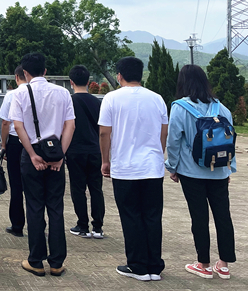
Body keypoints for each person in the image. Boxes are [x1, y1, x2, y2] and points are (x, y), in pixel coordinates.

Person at [99, 56, 168, 282]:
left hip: (125, 167)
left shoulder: (111, 98)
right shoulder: (157, 99)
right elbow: (163, 132)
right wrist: (158, 154)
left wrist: (105, 160)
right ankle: (154, 266)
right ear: (141, 74)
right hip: (152, 167)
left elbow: (104, 133)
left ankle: (137, 265)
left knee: (131, 216)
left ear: (119, 76)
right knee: (152, 215)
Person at [165, 64, 236, 280]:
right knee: (223, 215)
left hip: (191, 172)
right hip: (219, 172)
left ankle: (203, 264)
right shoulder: (221, 108)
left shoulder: (180, 107)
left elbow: (174, 141)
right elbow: (230, 140)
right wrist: (228, 168)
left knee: (199, 216)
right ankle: (223, 264)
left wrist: (172, 167)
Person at [10, 52, 75, 278]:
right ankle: (57, 262)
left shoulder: (19, 93)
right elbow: (70, 126)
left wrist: (32, 154)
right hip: (57, 149)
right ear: (45, 71)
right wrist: (60, 156)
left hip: (32, 152)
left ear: (25, 73)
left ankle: (36, 260)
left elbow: (18, 127)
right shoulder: (63, 92)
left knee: (35, 206)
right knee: (56, 207)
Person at [65, 65, 105, 239]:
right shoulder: (98, 102)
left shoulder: (69, 102)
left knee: (78, 188)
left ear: (71, 82)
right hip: (95, 150)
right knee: (96, 189)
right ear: (88, 82)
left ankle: (82, 225)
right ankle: (98, 227)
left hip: (75, 150)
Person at [0, 66, 26, 237]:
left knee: (16, 185)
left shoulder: (12, 94)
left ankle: (17, 225)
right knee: (34, 186)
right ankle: (38, 223)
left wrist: (3, 144)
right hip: (35, 143)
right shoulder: (37, 93)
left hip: (16, 142)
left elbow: (5, 122)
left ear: (16, 77)